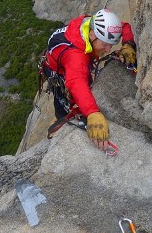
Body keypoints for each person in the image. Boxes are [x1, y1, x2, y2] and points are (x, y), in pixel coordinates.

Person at [41, 9, 136, 150]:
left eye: (111, 44)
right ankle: (61, 126)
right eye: (105, 44)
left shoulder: (96, 25)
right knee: (64, 103)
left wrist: (128, 44)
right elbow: (76, 83)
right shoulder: (76, 57)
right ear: (92, 35)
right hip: (60, 72)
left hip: (69, 57)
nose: (108, 49)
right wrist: (93, 113)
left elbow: (124, 27)